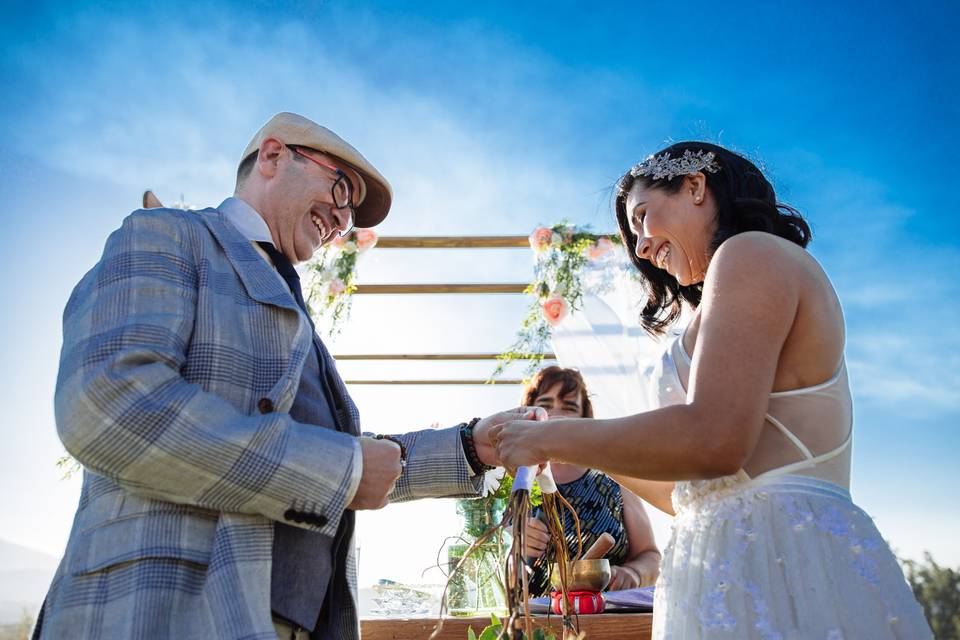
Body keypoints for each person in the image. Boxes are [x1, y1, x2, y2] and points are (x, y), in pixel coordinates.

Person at [35, 112, 532, 640]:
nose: (342, 221)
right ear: (273, 157)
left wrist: (473, 448)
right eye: (341, 189)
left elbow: (343, 465)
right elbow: (109, 404)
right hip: (161, 614)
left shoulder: (289, 301)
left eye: (351, 217)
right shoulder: (168, 234)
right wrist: (340, 468)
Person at [491, 142, 932, 638]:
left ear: (696, 186)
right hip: (729, 571)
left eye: (642, 216)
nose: (639, 248)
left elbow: (716, 438)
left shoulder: (751, 253)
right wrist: (572, 444)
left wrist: (554, 437)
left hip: (782, 566)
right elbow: (686, 495)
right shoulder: (733, 281)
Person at [517, 366, 660, 596]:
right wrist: (515, 549)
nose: (556, 415)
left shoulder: (615, 476)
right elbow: (495, 578)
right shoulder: (513, 483)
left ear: (585, 420)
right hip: (538, 627)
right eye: (545, 405)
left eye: (569, 407)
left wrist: (633, 573)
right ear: (528, 414)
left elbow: (650, 556)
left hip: (612, 621)